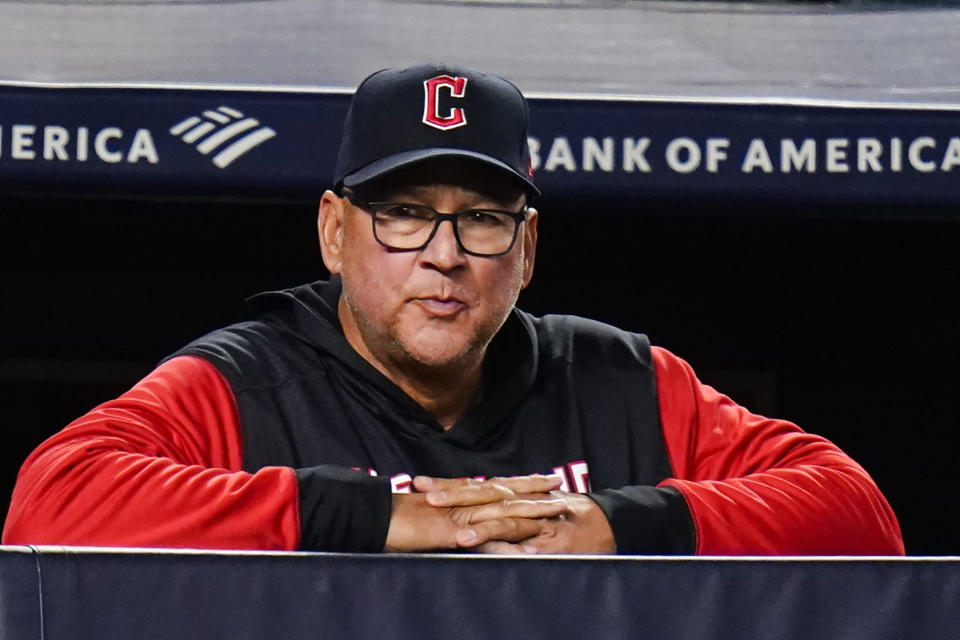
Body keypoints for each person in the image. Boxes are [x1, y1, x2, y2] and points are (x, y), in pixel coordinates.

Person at [3, 64, 903, 555]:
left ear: (527, 250)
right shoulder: (246, 380)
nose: (444, 254)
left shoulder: (621, 379)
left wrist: (619, 524)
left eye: (481, 219)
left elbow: (859, 516)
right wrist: (371, 517)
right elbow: (50, 505)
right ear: (333, 232)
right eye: (403, 214)